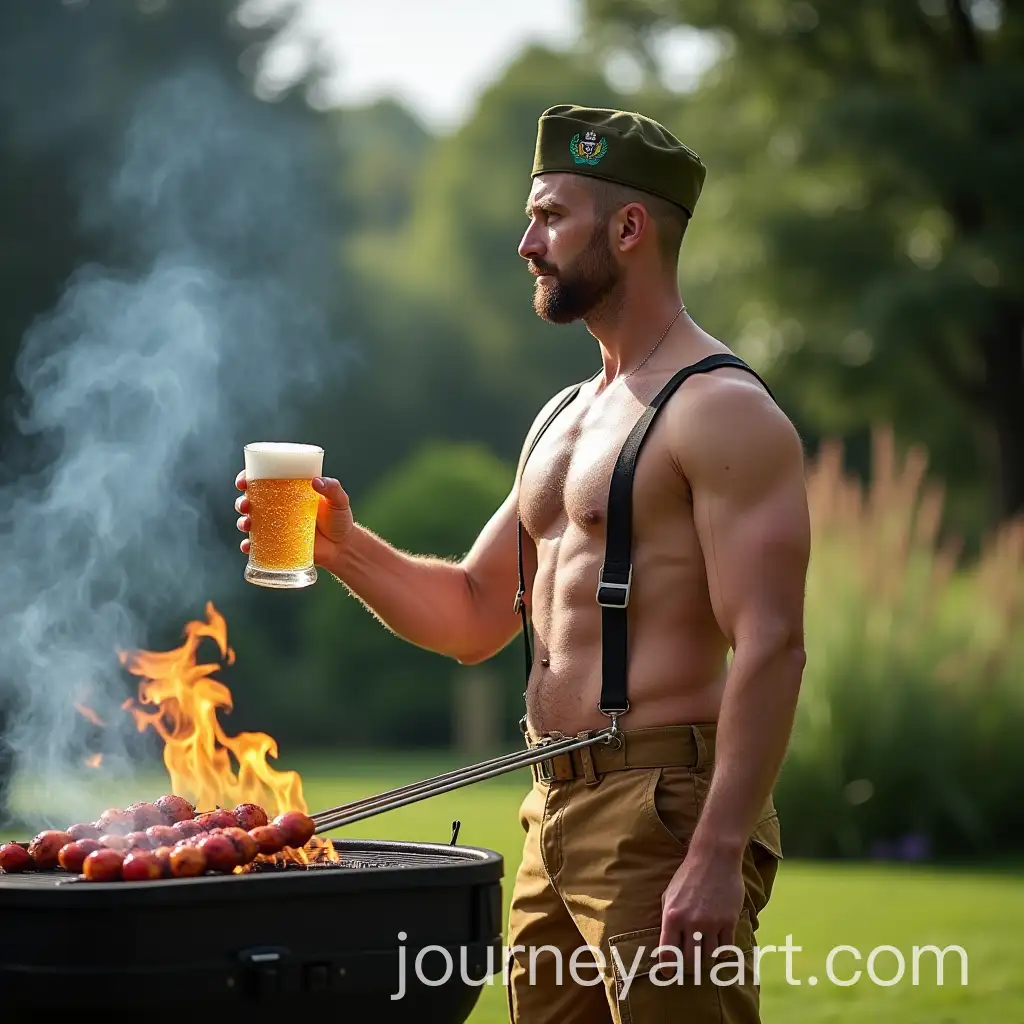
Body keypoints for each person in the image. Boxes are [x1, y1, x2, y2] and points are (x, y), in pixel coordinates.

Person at [235, 104, 810, 1023]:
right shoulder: (563, 417)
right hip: (552, 812)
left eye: (549, 216)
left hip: (662, 814)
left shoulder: (722, 411)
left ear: (628, 230)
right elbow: (470, 616)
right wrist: (343, 548)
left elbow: (773, 645)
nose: (524, 242)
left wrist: (714, 851)